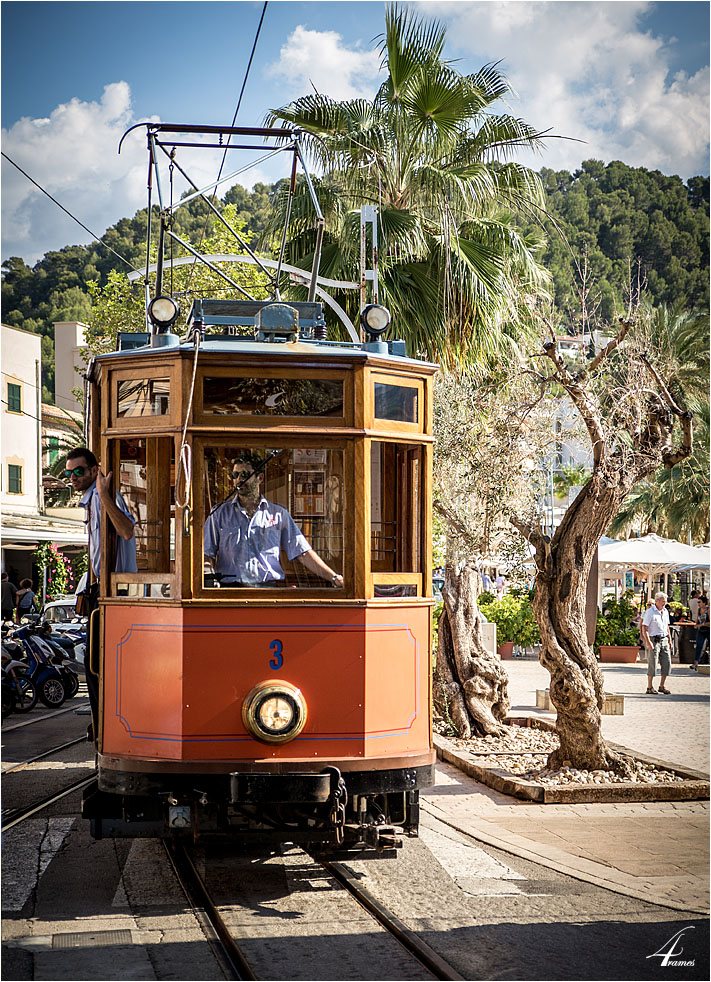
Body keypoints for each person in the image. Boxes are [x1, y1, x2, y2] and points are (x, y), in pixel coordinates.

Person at [65, 447, 137, 741]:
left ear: (95, 471)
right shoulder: (90, 501)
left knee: (100, 666)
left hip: (116, 593)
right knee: (93, 665)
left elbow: (127, 531)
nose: (72, 478)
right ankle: (101, 725)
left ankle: (109, 729)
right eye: (69, 473)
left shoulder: (104, 497)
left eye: (78, 471)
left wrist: (105, 495)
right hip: (101, 591)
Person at [204, 453, 343, 588]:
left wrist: (334, 577)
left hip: (268, 593)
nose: (239, 479)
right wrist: (208, 581)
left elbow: (303, 552)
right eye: (235, 475)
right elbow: (206, 554)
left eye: (245, 475)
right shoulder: (218, 514)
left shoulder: (278, 514)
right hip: (230, 593)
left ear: (260, 478)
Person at [641, 591, 672, 694]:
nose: (665, 603)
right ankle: (649, 687)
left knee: (667, 663)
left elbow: (666, 627)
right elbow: (644, 627)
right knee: (652, 663)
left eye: (665, 601)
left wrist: (670, 640)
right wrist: (648, 642)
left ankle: (662, 686)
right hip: (653, 640)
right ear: (657, 601)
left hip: (664, 639)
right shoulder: (650, 612)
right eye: (663, 601)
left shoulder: (665, 611)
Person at [691, 596, 709, 670]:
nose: (698, 604)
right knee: (699, 646)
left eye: (699, 602)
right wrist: (695, 624)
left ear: (704, 603)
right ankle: (695, 663)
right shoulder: (699, 609)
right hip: (701, 630)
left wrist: (702, 624)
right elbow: (697, 620)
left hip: (708, 630)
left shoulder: (708, 610)